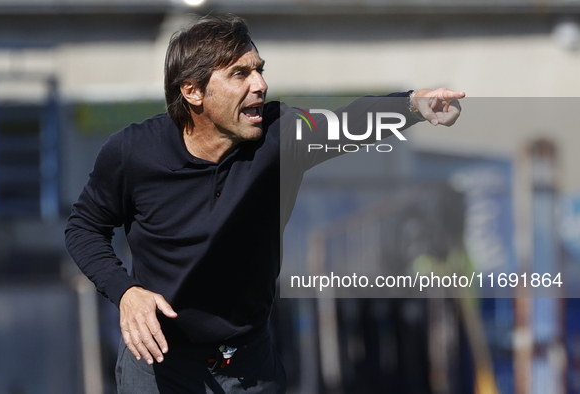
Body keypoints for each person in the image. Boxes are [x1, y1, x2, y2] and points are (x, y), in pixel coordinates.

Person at [65, 15, 465, 394]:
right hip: (158, 368)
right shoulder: (131, 152)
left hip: (248, 368)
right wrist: (126, 293)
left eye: (258, 69)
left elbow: (348, 122)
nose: (260, 84)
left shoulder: (282, 136)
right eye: (240, 74)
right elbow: (83, 229)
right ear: (192, 91)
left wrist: (412, 105)